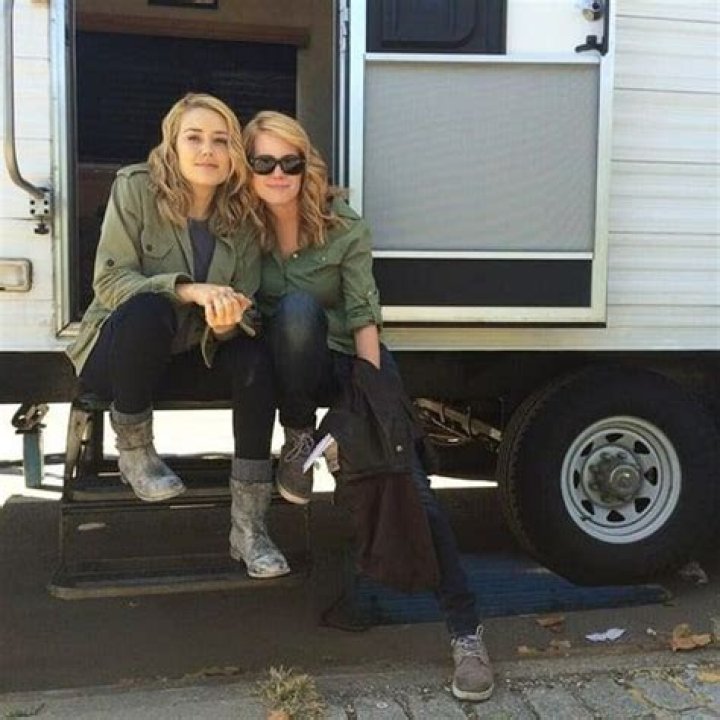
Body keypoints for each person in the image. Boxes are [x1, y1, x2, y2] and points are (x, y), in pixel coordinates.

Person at [240, 110, 494, 702]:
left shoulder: (341, 224)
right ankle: (298, 438)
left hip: (349, 364)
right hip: (281, 373)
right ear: (246, 167)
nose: (278, 173)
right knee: (292, 315)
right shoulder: (238, 228)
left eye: (290, 162)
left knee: (410, 491)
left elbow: (362, 315)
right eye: (263, 162)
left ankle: (466, 634)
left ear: (306, 165)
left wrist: (370, 404)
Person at [65, 93, 289, 580]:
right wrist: (187, 290)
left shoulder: (243, 214)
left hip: (193, 353)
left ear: (234, 154)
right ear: (172, 145)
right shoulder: (136, 188)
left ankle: (250, 527)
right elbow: (109, 281)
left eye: (221, 140)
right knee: (150, 308)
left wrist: (226, 323)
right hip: (122, 360)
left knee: (254, 356)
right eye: (194, 137)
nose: (207, 150)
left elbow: (246, 300)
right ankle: (134, 452)